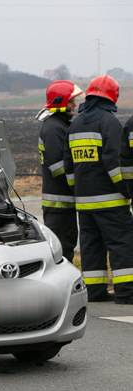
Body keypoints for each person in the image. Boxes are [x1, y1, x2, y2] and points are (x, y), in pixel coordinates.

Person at [64, 75, 133, 304]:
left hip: (83, 201)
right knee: (121, 243)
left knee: (91, 246)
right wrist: (125, 189)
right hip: (111, 200)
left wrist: (79, 190)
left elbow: (68, 165)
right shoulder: (109, 122)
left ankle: (93, 292)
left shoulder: (75, 124)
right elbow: (114, 161)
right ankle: (126, 293)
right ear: (112, 96)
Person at [37, 80, 83, 261]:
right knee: (62, 250)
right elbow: (57, 167)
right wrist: (79, 180)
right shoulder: (54, 128)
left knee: (67, 245)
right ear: (61, 103)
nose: (75, 105)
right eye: (71, 101)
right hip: (59, 204)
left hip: (63, 203)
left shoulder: (58, 125)